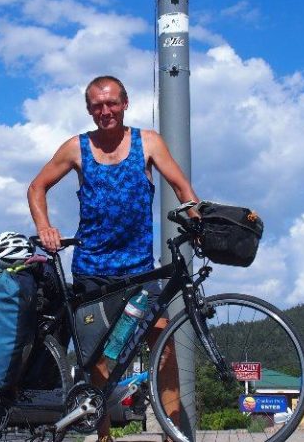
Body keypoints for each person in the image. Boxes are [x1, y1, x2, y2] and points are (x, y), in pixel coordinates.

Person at [28, 75, 199, 442]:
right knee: (100, 364)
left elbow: (183, 190)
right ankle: (101, 437)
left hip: (139, 272)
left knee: (164, 349)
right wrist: (45, 227)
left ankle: (174, 437)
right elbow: (36, 187)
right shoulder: (77, 148)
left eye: (111, 103)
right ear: (89, 109)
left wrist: (199, 222)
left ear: (125, 103)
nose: (105, 111)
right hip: (93, 270)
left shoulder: (147, 142)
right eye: (96, 106)